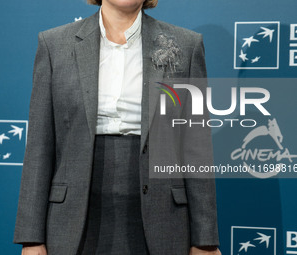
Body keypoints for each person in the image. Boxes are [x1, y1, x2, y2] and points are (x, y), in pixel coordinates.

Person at [13, 0, 221, 254]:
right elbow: (38, 147)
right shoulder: (54, 44)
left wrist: (205, 241)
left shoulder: (185, 46)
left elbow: (196, 149)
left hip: (163, 220)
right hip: (72, 222)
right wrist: (31, 239)